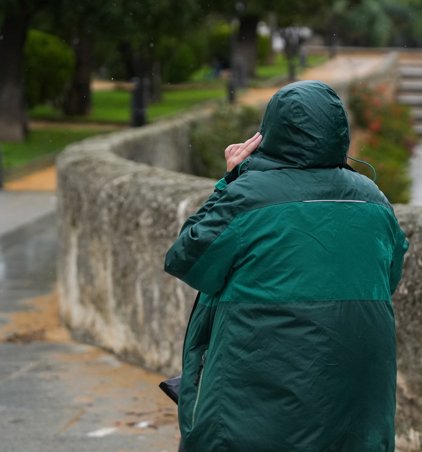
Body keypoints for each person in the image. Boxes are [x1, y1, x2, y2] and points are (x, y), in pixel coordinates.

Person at [164, 80, 409, 451]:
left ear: (268, 134)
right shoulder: (373, 199)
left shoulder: (250, 194)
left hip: (259, 390)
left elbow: (188, 258)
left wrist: (230, 180)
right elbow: (387, 278)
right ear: (337, 133)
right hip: (353, 398)